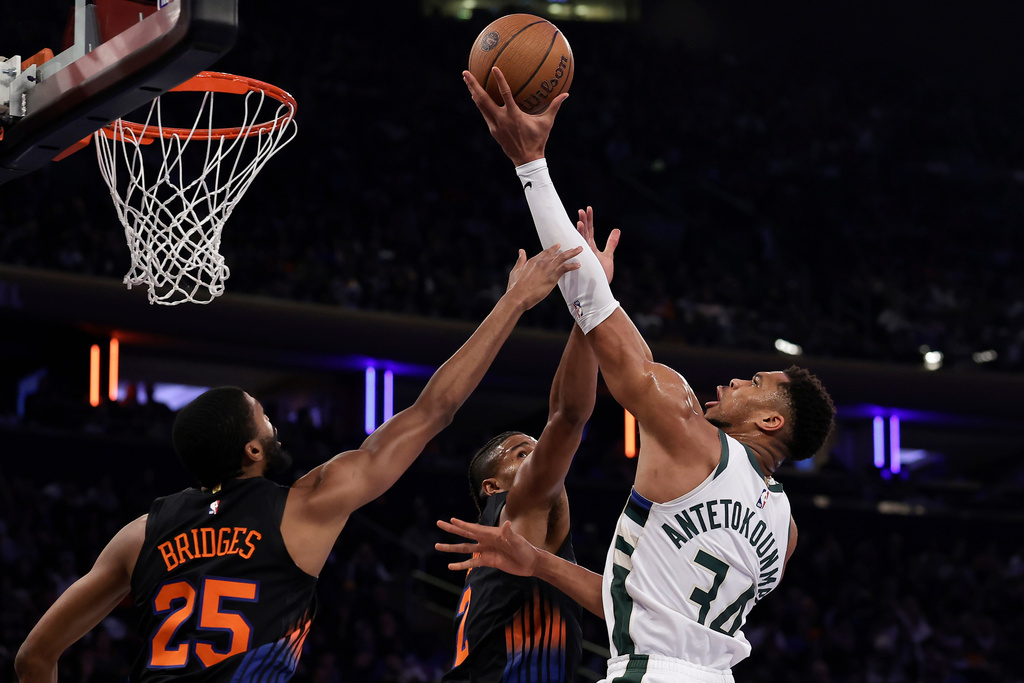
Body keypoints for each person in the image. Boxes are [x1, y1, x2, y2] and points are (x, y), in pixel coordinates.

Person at [13, 243, 584, 683]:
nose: (275, 422)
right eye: (263, 415)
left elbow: (34, 657)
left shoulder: (137, 538)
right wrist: (513, 301)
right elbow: (434, 409)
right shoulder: (304, 505)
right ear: (252, 450)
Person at [436, 68, 837, 683]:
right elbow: (642, 610)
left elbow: (595, 310)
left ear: (770, 419)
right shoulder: (785, 535)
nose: (731, 383)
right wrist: (539, 565)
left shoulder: (684, 424)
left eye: (753, 383)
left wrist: (532, 165)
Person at [443, 222, 620, 683]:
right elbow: (567, 415)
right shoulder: (517, 507)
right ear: (492, 485)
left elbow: (559, 416)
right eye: (522, 453)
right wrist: (591, 300)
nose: (540, 457)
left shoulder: (505, 538)